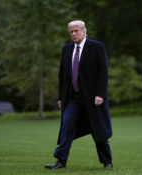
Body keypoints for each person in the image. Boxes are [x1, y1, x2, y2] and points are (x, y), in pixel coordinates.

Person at [45, 20, 113, 169]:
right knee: (66, 127)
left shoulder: (97, 47)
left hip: (92, 98)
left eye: (76, 31)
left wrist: (100, 94)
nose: (74, 34)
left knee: (98, 130)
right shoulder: (66, 49)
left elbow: (103, 72)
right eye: (71, 32)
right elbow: (62, 75)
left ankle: (107, 162)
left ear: (84, 31)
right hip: (72, 98)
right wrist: (61, 97)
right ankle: (61, 161)